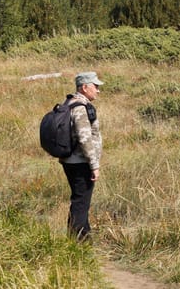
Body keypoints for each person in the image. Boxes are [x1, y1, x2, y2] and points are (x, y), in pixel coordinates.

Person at [59, 71, 103, 242]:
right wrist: (94, 165)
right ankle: (77, 243)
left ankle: (83, 238)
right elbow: (85, 138)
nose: (98, 90)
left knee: (79, 200)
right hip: (81, 162)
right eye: (96, 86)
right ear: (84, 87)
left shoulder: (69, 102)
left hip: (69, 161)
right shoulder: (80, 107)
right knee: (80, 203)